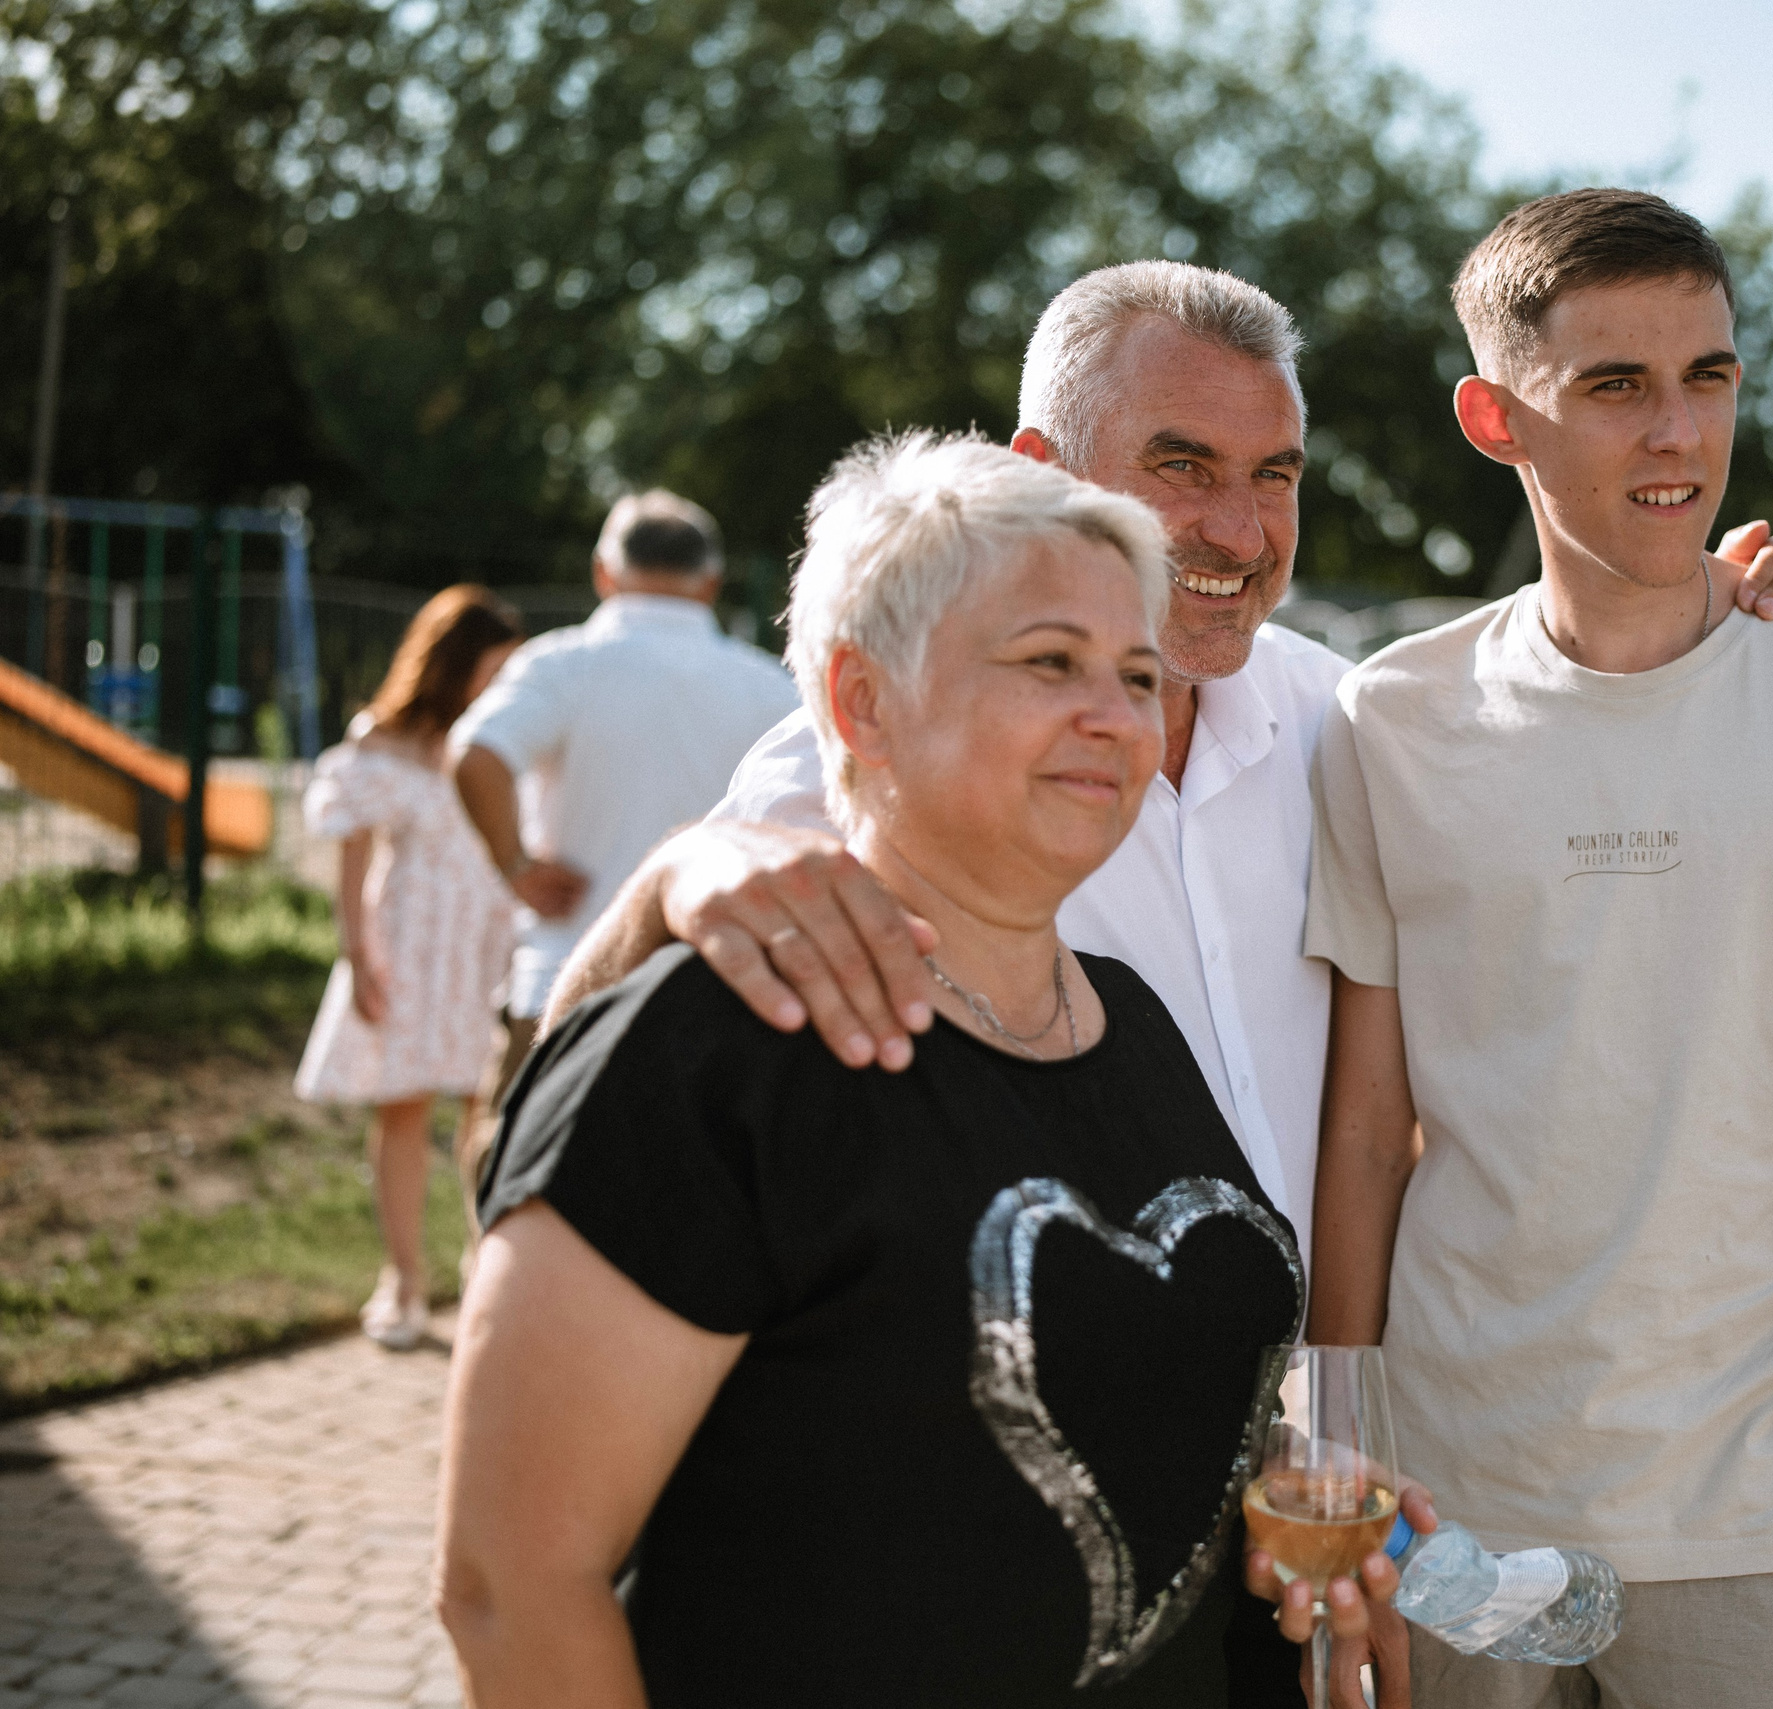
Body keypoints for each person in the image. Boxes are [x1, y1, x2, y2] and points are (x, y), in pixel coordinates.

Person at [540, 260, 1773, 1706]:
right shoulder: (879, 752)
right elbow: (578, 1110)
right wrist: (679, 879)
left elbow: (1575, 692)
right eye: (1182, 468)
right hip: (978, 1489)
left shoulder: (1337, 718)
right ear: (1041, 474)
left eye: (1275, 474)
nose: (1240, 531)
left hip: (1298, 1491)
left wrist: (1725, 586)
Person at [438, 433, 1366, 1707]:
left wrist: (1282, 1508)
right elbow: (512, 1584)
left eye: (1138, 674)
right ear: (861, 699)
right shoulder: (720, 1046)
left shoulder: (1133, 1023)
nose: (1115, 715)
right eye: (1050, 662)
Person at [1302, 189, 1773, 1709]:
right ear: (1493, 415)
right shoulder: (1391, 717)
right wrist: (1336, 1480)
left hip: (1757, 1505)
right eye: (1614, 386)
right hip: (1458, 1504)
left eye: (1707, 377)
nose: (1678, 435)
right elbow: (1370, 1130)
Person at [446, 490, 798, 1216]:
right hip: (728, 983)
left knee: (513, 1166)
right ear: (711, 581)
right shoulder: (770, 685)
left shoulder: (563, 666)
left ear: (605, 573)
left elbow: (475, 755)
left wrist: (515, 865)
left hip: (566, 976)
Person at [294, 585, 523, 1350]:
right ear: (451, 664)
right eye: (491, 667)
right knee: (403, 1108)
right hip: (411, 944)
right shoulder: (380, 743)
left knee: (486, 1111)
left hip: (491, 944)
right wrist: (359, 955)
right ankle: (403, 1279)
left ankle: (479, 1273)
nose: (500, 683)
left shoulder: (505, 743)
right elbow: (352, 865)